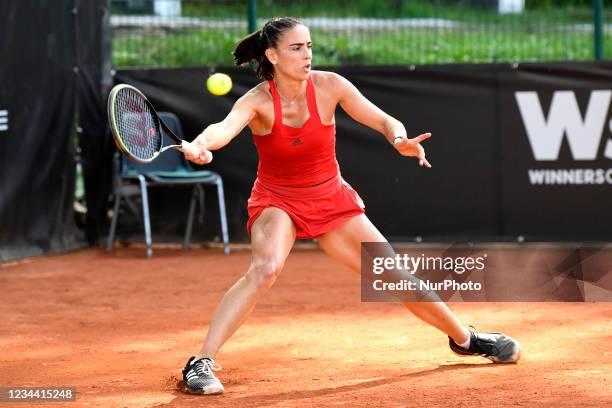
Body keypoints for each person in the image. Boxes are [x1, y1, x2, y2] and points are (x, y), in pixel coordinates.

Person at [180, 17, 521, 395]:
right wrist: (200, 145)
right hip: (278, 199)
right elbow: (223, 129)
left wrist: (399, 139)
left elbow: (381, 118)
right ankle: (200, 362)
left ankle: (465, 339)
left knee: (395, 275)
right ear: (272, 55)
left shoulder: (331, 86)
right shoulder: (258, 100)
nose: (307, 54)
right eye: (296, 48)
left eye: (309, 46)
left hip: (330, 198)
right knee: (266, 268)